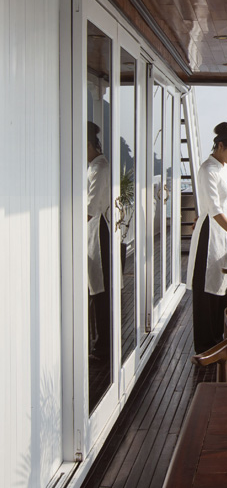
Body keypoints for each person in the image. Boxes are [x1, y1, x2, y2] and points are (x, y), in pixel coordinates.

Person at [186, 122, 227, 353]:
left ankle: (217, 339)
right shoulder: (208, 170)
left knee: (219, 286)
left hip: (221, 230)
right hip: (209, 230)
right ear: (220, 145)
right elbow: (214, 209)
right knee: (206, 287)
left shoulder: (224, 168)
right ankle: (205, 347)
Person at [86, 121, 111, 361]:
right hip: (95, 229)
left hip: (99, 230)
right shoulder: (94, 166)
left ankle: (104, 346)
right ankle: (103, 343)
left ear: (87, 144)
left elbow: (91, 208)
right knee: (99, 288)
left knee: (101, 290)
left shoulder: (100, 168)